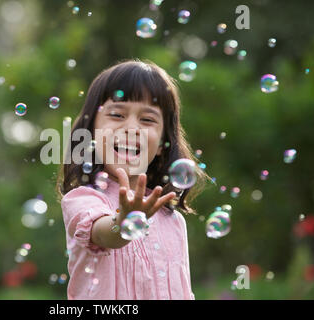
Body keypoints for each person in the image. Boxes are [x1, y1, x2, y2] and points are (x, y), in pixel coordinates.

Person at [57, 59, 208, 299]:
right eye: (117, 114)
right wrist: (124, 222)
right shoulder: (84, 200)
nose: (131, 128)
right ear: (92, 131)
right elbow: (106, 234)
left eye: (147, 120)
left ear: (162, 144)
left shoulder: (173, 220)